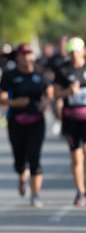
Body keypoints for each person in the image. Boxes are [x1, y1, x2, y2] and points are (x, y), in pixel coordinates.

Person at [0, 43, 53, 208]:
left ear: (33, 56)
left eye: (29, 53)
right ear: (17, 57)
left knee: (34, 157)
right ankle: (21, 174)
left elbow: (50, 93)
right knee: (19, 160)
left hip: (37, 121)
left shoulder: (40, 73)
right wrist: (13, 102)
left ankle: (36, 194)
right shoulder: (10, 75)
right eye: (23, 54)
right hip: (16, 122)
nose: (26, 56)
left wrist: (45, 102)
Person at [53, 37, 86, 207]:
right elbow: (55, 94)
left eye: (77, 52)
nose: (74, 55)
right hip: (71, 119)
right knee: (76, 157)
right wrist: (68, 92)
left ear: (83, 51)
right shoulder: (63, 70)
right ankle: (79, 190)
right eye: (71, 52)